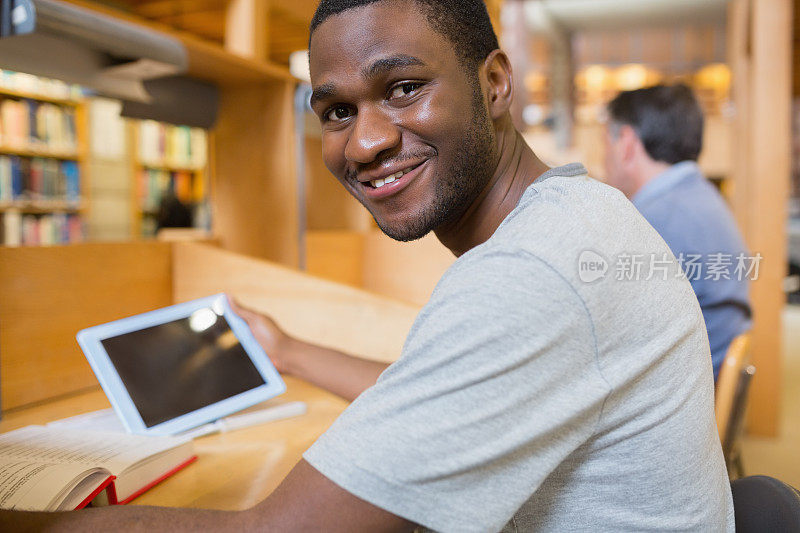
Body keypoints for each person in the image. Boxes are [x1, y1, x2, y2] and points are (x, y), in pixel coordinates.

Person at [1, 0, 733, 530]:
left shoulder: (530, 277)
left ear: (496, 84)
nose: (365, 142)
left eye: (404, 87)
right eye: (337, 112)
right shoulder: (574, 215)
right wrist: (286, 350)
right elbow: (442, 392)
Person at [603, 84, 752, 380]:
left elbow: (614, 333)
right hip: (708, 377)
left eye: (605, 142)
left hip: (683, 393)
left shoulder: (657, 218)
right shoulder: (699, 195)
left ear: (627, 144)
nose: (603, 157)